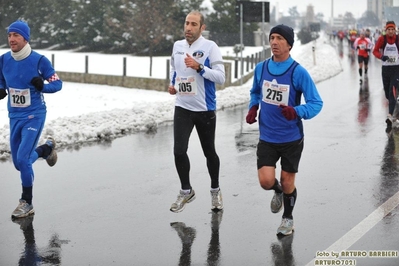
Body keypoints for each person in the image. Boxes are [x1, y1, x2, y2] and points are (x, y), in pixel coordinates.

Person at [245, 24, 323, 236]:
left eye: (279, 38)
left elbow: (316, 103)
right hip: (267, 136)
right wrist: (253, 106)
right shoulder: (261, 68)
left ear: (289, 44)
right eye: (272, 38)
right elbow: (254, 91)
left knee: (289, 182)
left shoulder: (298, 72)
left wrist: (296, 111)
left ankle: (287, 218)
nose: (274, 42)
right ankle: (277, 191)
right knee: (266, 181)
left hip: (291, 138)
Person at [0, 20, 62, 218]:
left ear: (25, 38)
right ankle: (47, 149)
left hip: (34, 114)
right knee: (19, 163)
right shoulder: (3, 59)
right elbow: (1, 77)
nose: (11, 39)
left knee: (23, 160)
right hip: (14, 115)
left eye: (16, 35)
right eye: (9, 35)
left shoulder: (39, 60)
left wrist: (43, 86)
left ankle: (27, 202)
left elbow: (57, 83)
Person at [168, 11, 225, 213]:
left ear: (202, 28)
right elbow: (174, 69)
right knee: (178, 151)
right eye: (186, 23)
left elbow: (220, 77)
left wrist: (200, 67)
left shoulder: (211, 47)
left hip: (204, 109)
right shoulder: (177, 46)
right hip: (183, 107)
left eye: (193, 24)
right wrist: (172, 84)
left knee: (209, 151)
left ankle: (215, 190)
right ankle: (186, 190)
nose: (188, 28)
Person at [372, 21, 399, 133]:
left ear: (395, 30)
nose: (391, 31)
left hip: (396, 69)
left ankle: (389, 116)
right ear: (386, 30)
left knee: (392, 90)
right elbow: (375, 51)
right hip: (386, 69)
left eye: (393, 29)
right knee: (388, 94)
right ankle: (394, 103)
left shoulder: (398, 39)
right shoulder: (382, 39)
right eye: (389, 29)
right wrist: (381, 56)